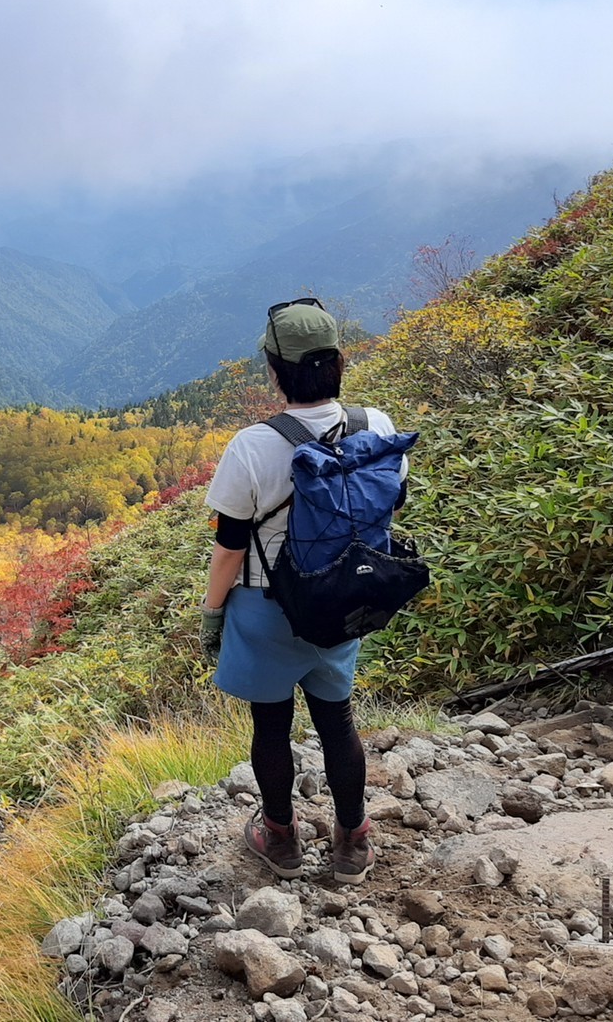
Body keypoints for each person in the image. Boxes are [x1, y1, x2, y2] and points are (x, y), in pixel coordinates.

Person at [201, 298, 408, 884]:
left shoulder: (253, 445)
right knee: (336, 720)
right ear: (339, 361)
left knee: (271, 726)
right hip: (344, 598)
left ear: (275, 369)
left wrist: (211, 614)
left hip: (267, 605)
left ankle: (281, 839)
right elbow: (391, 505)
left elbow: (230, 548)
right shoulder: (378, 428)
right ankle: (352, 843)